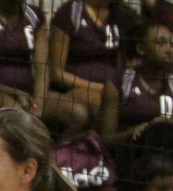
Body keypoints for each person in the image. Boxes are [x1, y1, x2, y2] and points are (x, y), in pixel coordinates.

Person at [0, 0, 87, 136]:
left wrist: (38, 103)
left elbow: (42, 68)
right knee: (20, 117)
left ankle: (56, 150)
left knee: (78, 114)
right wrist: (15, 92)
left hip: (29, 92)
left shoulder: (34, 15)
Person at [49, 0, 139, 131]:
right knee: (102, 104)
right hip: (73, 89)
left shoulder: (122, 15)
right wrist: (102, 88)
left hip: (113, 88)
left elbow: (132, 61)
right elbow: (56, 74)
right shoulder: (68, 14)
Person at [98, 22, 173, 145]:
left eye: (171, 44)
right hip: (127, 152)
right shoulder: (119, 83)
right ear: (141, 49)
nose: (169, 50)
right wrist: (135, 132)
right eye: (161, 43)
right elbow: (105, 140)